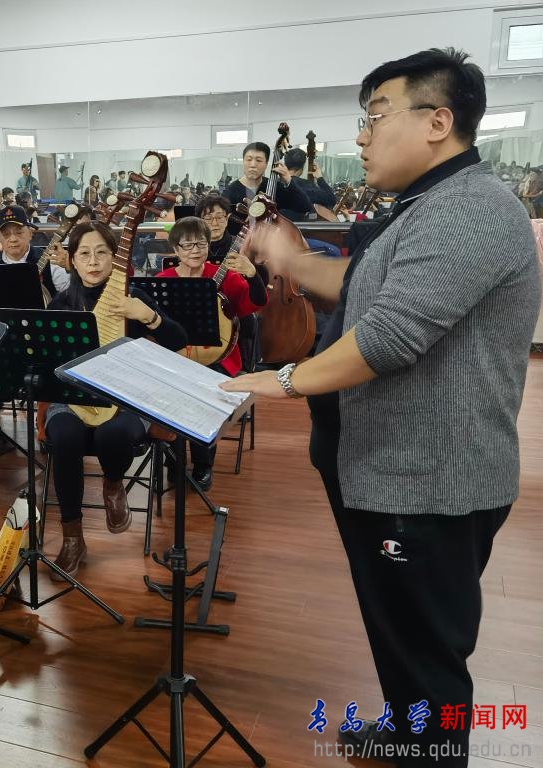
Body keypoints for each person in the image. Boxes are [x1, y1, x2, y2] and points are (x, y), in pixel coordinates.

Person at [222, 48, 540, 766]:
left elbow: (391, 334)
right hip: (391, 473)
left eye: (375, 118)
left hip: (428, 485)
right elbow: (369, 284)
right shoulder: (427, 207)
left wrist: (281, 381)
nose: (361, 137)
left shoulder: (469, 210)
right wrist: (292, 261)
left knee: (426, 652)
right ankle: (406, 731)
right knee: (398, 631)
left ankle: (426, 745)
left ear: (438, 122)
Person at [44, 222, 186, 578]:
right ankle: (72, 537)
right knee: (64, 437)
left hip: (126, 398)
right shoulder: (62, 303)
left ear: (115, 257)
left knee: (113, 434)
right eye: (84, 254)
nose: (93, 261)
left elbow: (178, 340)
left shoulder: (133, 297)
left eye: (101, 252)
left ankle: (112, 481)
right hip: (73, 398)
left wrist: (148, 317)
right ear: (72, 260)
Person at [156, 216, 266, 489]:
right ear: (175, 249)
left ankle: (203, 464)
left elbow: (256, 302)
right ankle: (174, 460)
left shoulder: (225, 276)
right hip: (175, 357)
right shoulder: (163, 281)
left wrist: (252, 274)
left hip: (218, 358)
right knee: (166, 393)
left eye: (201, 244)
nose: (195, 250)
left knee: (202, 394)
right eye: (188, 245)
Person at [0, 205, 69, 456]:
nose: (12, 239)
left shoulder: (51, 265)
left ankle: (50, 429)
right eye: (6, 234)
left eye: (19, 232)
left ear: (30, 232)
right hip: (4, 345)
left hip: (44, 344)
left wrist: (69, 266)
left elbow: (72, 300)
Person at [222, 143, 313, 224]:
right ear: (243, 162)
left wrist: (288, 180)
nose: (253, 165)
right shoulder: (230, 192)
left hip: (272, 237)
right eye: (249, 160)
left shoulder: (275, 187)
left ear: (266, 164)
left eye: (259, 160)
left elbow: (305, 207)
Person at [194, 195, 234, 262]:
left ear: (227, 219)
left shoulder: (239, 245)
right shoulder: (191, 246)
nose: (215, 223)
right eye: (208, 218)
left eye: (219, 217)